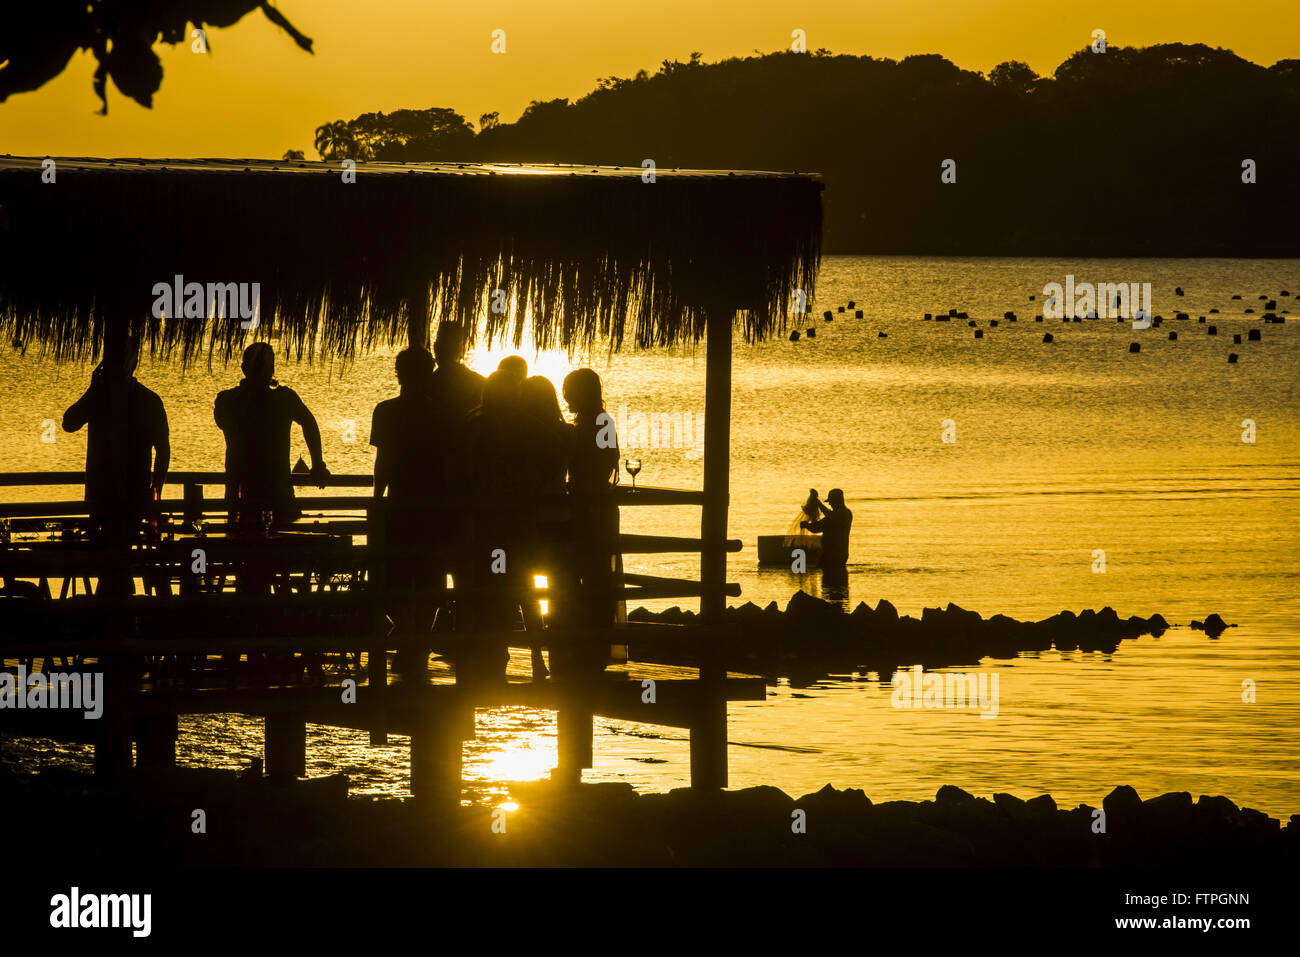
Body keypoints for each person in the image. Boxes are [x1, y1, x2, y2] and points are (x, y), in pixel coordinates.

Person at [62, 338, 170, 596]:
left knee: (114, 557)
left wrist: (155, 490)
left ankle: (112, 610)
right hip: (114, 494)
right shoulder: (134, 398)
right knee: (117, 557)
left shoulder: (138, 399)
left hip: (117, 495)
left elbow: (69, 423)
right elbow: (68, 423)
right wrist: (156, 490)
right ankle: (119, 609)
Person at [370, 346, 444, 672]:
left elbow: (382, 461)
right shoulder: (441, 414)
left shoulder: (386, 412)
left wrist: (377, 497)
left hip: (400, 502)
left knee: (397, 575)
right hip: (432, 505)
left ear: (399, 373)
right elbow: (447, 463)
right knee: (429, 577)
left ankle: (408, 640)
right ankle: (419, 643)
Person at [214, 342, 329, 534]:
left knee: (242, 549)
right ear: (273, 370)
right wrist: (317, 464)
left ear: (243, 369)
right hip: (275, 493)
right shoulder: (284, 399)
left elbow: (224, 421)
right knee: (280, 550)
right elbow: (309, 423)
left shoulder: (227, 400)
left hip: (242, 495)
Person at [560, 368, 620, 675]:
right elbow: (611, 461)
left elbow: (599, 464)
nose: (566, 397)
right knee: (596, 576)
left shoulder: (589, 425)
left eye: (569, 391)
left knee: (589, 575)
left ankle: (588, 645)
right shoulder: (600, 422)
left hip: (588, 509)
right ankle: (594, 645)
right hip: (599, 507)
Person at [801, 487, 852, 585]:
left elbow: (817, 528)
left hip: (831, 555)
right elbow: (830, 515)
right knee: (839, 584)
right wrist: (819, 504)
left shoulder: (837, 516)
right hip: (841, 554)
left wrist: (806, 525)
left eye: (831, 501)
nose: (830, 504)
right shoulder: (846, 513)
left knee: (829, 584)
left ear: (837, 501)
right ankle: (839, 600)